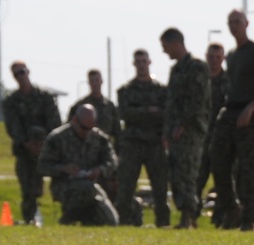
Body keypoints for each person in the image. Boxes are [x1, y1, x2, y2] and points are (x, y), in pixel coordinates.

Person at [209, 9, 254, 231]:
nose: (234, 26)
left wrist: (251, 108)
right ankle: (232, 207)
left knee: (250, 170)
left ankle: (248, 220)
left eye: (237, 21)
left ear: (247, 23)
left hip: (252, 115)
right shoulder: (232, 54)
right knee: (218, 162)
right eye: (230, 22)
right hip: (230, 112)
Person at [160, 28, 210, 229]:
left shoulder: (197, 67)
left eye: (165, 47)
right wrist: (167, 131)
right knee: (176, 174)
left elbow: (197, 100)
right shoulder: (176, 69)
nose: (165, 52)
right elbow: (171, 103)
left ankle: (188, 217)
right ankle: (185, 217)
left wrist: (184, 125)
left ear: (175, 44)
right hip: (174, 132)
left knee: (188, 172)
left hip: (190, 131)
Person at [37, 104, 119, 226]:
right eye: (83, 128)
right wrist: (63, 168)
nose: (87, 132)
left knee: (111, 221)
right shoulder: (57, 138)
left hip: (91, 186)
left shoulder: (99, 138)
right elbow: (42, 165)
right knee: (86, 189)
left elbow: (112, 160)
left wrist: (100, 170)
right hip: (64, 186)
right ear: (75, 120)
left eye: (90, 128)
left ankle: (85, 222)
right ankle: (67, 220)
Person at [2, 62, 61, 225]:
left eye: (22, 72)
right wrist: (27, 144)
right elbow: (12, 126)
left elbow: (54, 121)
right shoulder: (11, 101)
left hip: (49, 150)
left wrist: (45, 143)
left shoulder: (44, 96)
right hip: (24, 151)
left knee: (60, 183)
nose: (20, 76)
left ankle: (65, 219)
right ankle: (30, 220)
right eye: (16, 74)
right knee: (28, 191)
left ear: (28, 71)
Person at [116, 49, 169, 226]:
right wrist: (149, 111)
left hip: (155, 143)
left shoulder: (161, 90)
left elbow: (166, 114)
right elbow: (126, 114)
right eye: (138, 61)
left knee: (160, 187)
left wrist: (142, 113)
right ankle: (124, 221)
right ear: (134, 64)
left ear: (149, 62)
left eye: (143, 61)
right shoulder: (126, 90)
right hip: (133, 144)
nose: (141, 65)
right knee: (126, 186)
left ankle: (163, 222)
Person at [197, 42, 227, 207]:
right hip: (200, 139)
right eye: (211, 57)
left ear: (223, 59)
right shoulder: (198, 80)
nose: (214, 61)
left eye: (218, 57)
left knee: (223, 181)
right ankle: (191, 216)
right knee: (197, 180)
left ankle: (223, 217)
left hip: (221, 139)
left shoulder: (230, 82)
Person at [68, 69, 120, 144]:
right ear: (89, 83)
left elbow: (117, 132)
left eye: (97, 80)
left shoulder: (110, 106)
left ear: (101, 81)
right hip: (85, 149)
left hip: (104, 149)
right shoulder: (79, 106)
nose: (95, 83)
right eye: (92, 81)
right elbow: (70, 130)